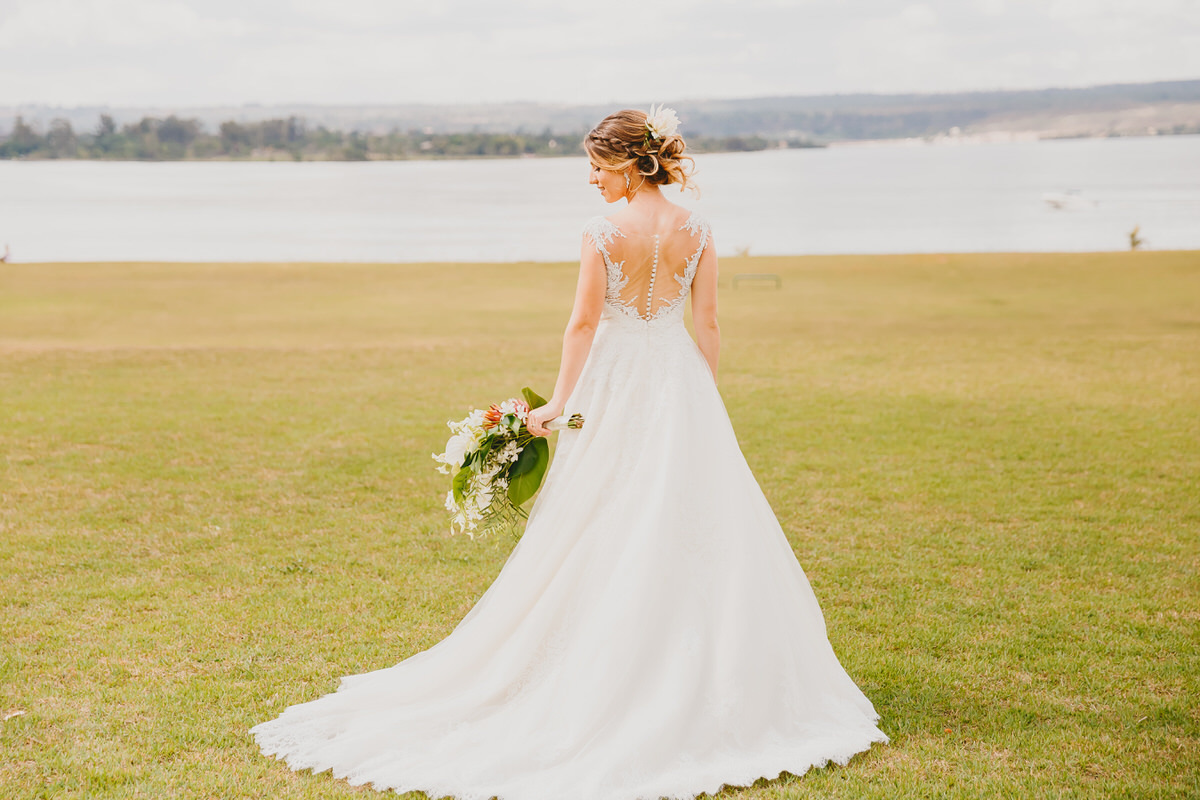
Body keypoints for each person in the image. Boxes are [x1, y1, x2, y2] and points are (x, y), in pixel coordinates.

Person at [250, 107, 887, 800]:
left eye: (597, 167)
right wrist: (702, 398)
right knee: (687, 514)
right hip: (679, 378)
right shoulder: (698, 229)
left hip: (614, 379)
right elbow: (707, 323)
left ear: (630, 164)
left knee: (603, 513)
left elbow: (584, 321)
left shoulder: (602, 233)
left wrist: (556, 403)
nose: (591, 181)